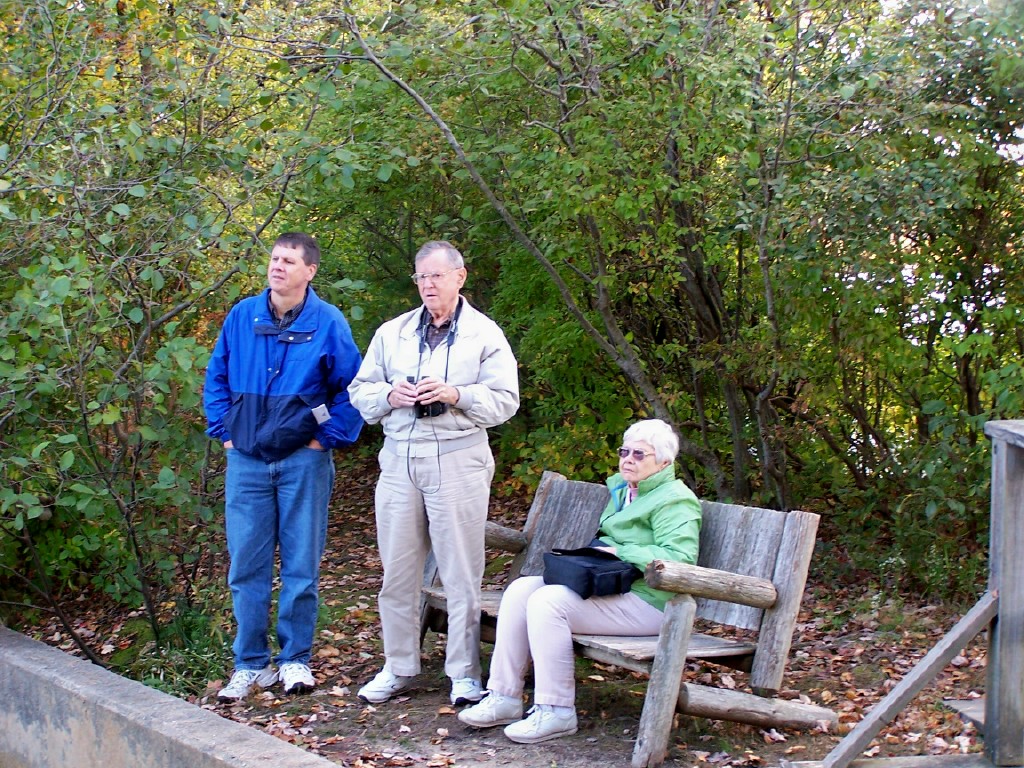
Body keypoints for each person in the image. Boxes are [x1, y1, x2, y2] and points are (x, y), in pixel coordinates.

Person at [348, 240, 520, 707]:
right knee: (397, 571)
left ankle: (463, 674)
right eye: (421, 277)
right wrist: (390, 396)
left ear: (459, 277)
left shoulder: (484, 334)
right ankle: (398, 666)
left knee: (461, 572)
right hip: (399, 458)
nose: (427, 285)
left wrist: (456, 394)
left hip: (458, 457)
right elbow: (359, 392)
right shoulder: (393, 332)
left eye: (436, 276)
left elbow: (506, 400)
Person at [457, 418, 702, 743]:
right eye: (624, 451)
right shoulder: (625, 490)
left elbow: (679, 560)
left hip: (655, 605)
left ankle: (556, 710)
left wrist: (621, 551)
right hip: (616, 589)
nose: (628, 459)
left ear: (665, 462)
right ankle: (504, 696)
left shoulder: (675, 499)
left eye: (639, 454)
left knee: (548, 603)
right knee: (520, 590)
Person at [203, 232, 363, 701]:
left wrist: (322, 440)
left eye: (289, 261)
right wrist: (226, 434)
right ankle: (250, 664)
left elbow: (353, 389)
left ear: (310, 271)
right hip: (247, 461)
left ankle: (295, 660)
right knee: (245, 567)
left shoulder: (328, 322)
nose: (278, 267)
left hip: (302, 462)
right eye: (275, 259)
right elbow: (216, 377)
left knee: (300, 566)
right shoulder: (242, 316)